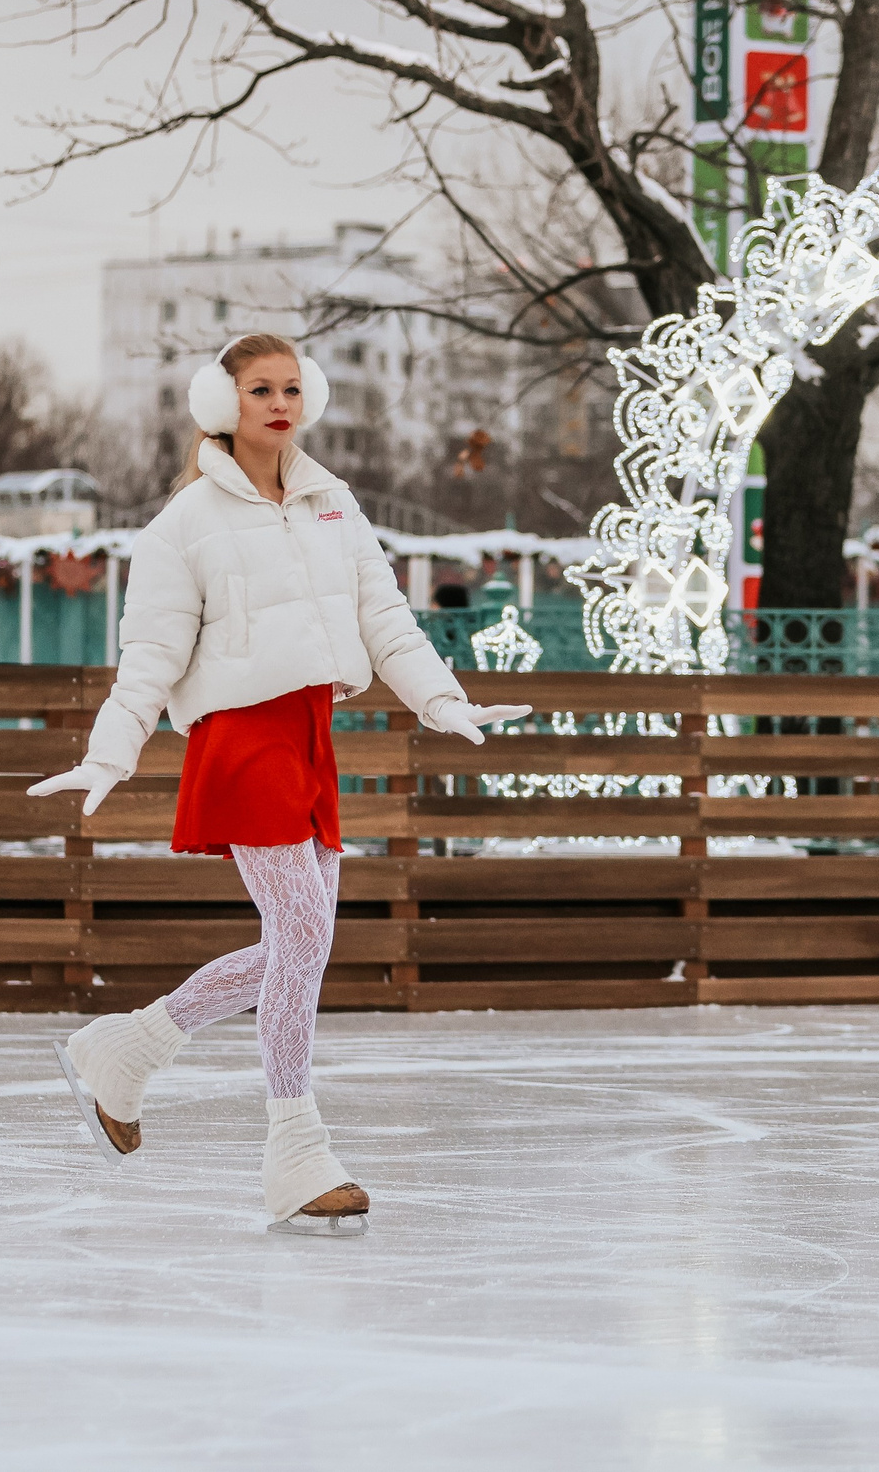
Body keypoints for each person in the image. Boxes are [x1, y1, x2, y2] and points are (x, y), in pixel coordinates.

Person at [29, 333, 528, 1236]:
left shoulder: (334, 506)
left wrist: (442, 700)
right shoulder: (183, 525)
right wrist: (110, 753)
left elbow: (386, 619)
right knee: (301, 932)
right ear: (222, 403)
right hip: (241, 738)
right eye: (259, 387)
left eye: (292, 386)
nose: (279, 402)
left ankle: (126, 1049)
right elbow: (148, 657)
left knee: (304, 942)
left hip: (311, 734)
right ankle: (294, 1149)